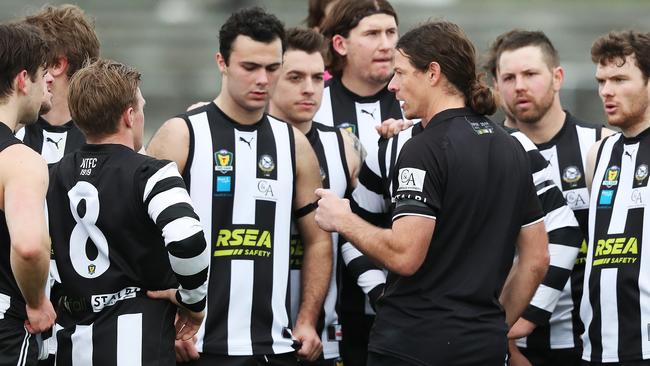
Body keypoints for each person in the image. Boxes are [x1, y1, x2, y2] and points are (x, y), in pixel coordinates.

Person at [315, 21, 550, 366]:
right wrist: (493, 327)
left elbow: (405, 255)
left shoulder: (421, 148)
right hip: (482, 347)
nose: (392, 86)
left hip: (413, 346)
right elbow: (537, 258)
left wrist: (344, 219)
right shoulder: (512, 147)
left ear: (433, 73)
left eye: (401, 73)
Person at [147, 7, 332, 365]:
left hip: (273, 349)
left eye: (272, 68)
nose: (263, 79)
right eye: (250, 67)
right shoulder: (182, 134)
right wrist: (169, 316)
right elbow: (142, 233)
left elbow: (318, 238)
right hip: (197, 347)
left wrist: (307, 319)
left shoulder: (294, 144)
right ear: (222, 62)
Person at [46, 58, 209, 365]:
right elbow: (187, 240)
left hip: (69, 343)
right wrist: (193, 301)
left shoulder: (50, 174)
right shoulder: (153, 173)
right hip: (139, 341)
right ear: (130, 115)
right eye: (142, 107)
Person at [483, 30, 616, 366]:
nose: (519, 86)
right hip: (508, 342)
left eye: (530, 74)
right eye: (508, 78)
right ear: (496, 88)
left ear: (558, 77)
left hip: (590, 339)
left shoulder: (603, 146)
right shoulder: (482, 152)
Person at [268, 27, 364, 366]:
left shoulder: (346, 147)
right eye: (294, 77)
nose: (309, 88)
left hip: (321, 341)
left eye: (317, 77)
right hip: (247, 338)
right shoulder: (236, 142)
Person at [314, 1, 404, 363]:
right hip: (331, 295)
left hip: (399, 294)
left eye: (391, 33)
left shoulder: (412, 101)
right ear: (340, 44)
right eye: (371, 34)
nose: (385, 44)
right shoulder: (315, 101)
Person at [582, 30, 650, 365]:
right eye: (601, 80)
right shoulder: (599, 153)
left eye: (620, 79)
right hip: (598, 348)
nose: (606, 91)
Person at [0, 22, 56, 366]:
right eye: (41, 77)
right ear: (23, 80)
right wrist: (36, 302)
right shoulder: (19, 159)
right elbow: (29, 246)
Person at [18, 4, 100, 163]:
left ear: (56, 65)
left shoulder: (104, 140)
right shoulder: (12, 134)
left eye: (30, 59)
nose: (22, 70)